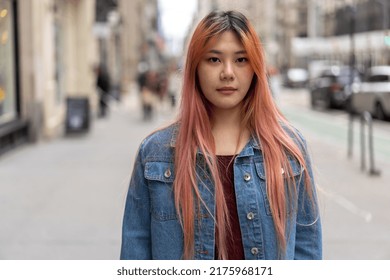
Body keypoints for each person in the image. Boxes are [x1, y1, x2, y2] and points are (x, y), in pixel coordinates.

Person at [120, 10, 322, 260]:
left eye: (241, 60)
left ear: (256, 68)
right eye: (214, 60)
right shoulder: (155, 153)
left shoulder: (289, 148)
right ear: (195, 67)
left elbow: (307, 251)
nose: (228, 72)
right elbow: (135, 257)